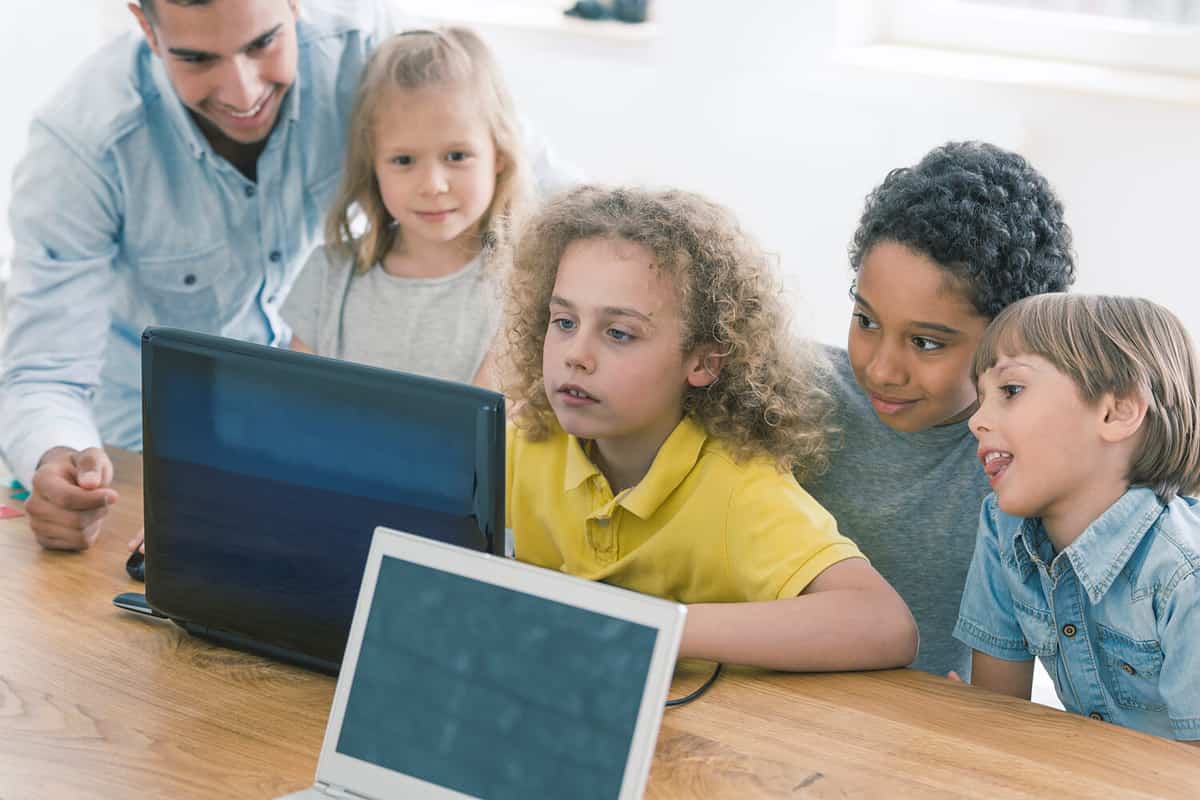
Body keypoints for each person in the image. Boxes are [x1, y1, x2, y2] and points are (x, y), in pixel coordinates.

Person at [1, 0, 574, 551]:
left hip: (290, 463)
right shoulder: (82, 144)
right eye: (199, 59)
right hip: (141, 442)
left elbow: (559, 201)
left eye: (263, 43)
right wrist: (58, 459)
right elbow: (43, 371)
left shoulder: (367, 46)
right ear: (147, 31)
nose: (243, 92)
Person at [501, 186, 918, 671]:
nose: (576, 354)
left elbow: (883, 623)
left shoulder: (736, 487)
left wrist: (651, 626)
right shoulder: (526, 444)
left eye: (619, 333)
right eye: (564, 321)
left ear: (702, 361)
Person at [802, 141, 1076, 678]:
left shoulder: (1027, 465)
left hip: (918, 735)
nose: (882, 369)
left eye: (926, 343)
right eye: (866, 320)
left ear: (1012, 342)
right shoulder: (788, 398)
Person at [956, 294, 1200, 744]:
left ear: (1118, 410)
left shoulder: (1185, 574)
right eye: (980, 397)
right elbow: (996, 716)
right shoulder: (1002, 528)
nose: (977, 420)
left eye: (1010, 390)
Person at [282, 28, 528, 387]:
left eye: (456, 156)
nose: (432, 184)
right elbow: (291, 405)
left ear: (500, 156)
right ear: (373, 165)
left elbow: (485, 433)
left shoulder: (522, 287)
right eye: (403, 160)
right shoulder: (327, 276)